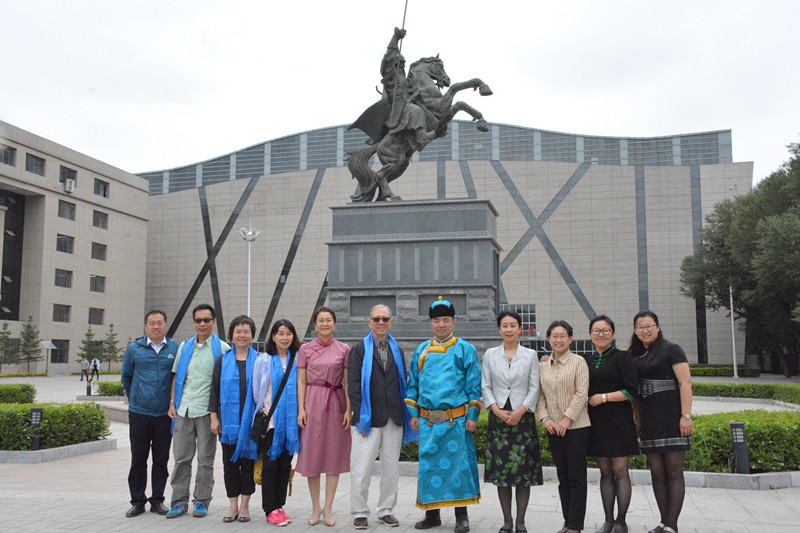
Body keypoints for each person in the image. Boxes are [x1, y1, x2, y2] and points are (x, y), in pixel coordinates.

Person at [406, 297, 481, 533]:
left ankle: (462, 516)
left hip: (456, 420)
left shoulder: (465, 349)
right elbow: (412, 386)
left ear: (453, 322)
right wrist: (413, 413)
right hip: (428, 420)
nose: (441, 325)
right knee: (430, 468)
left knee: (458, 468)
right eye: (436, 320)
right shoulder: (422, 350)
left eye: (445, 320)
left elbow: (474, 386)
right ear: (431, 323)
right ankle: (432, 515)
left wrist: (472, 415)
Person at [348, 304, 417, 530]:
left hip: (394, 416)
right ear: (369, 322)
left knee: (391, 468)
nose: (381, 323)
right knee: (362, 468)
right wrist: (359, 415)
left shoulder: (398, 350)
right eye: (376, 319)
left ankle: (386, 510)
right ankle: (359, 512)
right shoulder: (358, 350)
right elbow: (354, 386)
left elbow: (402, 382)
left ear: (390, 322)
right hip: (367, 418)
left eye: (385, 319)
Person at [628, 311, 693, 533]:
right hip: (649, 422)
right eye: (640, 327)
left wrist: (686, 416)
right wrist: (637, 421)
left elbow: (685, 384)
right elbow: (634, 394)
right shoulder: (635, 356)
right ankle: (664, 521)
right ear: (635, 331)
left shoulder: (671, 350)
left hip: (672, 419)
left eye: (649, 326)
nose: (645, 330)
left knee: (674, 472)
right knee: (656, 472)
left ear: (657, 327)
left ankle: (672, 525)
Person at [166, 303, 230, 518]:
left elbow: (226, 382)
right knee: (181, 459)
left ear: (213, 322)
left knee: (205, 460)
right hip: (184, 410)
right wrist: (173, 402)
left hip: (206, 413)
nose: (202, 324)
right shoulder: (184, 347)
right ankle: (179, 501)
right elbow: (177, 375)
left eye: (206, 320)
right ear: (193, 323)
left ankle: (202, 501)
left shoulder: (222, 348)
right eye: (198, 320)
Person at [481, 311, 542, 533]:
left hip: (522, 418)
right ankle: (507, 521)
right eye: (504, 325)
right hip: (499, 419)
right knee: (502, 474)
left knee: (523, 473)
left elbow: (535, 386)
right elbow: (485, 385)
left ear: (520, 329)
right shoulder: (490, 354)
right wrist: (496, 410)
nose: (508, 329)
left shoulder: (530, 355)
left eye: (513, 325)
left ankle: (521, 521)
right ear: (499, 329)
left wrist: (521, 411)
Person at [121, 310, 180, 517]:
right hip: (139, 413)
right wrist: (136, 398)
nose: (156, 326)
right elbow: (126, 377)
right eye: (152, 323)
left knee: (161, 460)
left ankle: (157, 500)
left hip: (165, 415)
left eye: (160, 323)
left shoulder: (174, 348)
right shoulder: (134, 349)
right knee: (138, 459)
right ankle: (137, 501)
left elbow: (177, 378)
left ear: (165, 325)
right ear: (146, 326)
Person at [296, 306, 351, 527]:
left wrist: (349, 409)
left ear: (334, 324)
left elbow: (346, 381)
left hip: (336, 403)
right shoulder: (305, 349)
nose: (325, 324)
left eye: (329, 320)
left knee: (333, 456)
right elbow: (301, 381)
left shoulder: (344, 349)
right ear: (315, 324)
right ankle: (315, 507)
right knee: (313, 455)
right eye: (321, 320)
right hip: (312, 401)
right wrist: (301, 409)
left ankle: (328, 507)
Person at [585, 315, 639, 533]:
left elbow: (632, 391)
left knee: (619, 471)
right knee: (604, 472)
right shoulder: (586, 360)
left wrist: (604, 397)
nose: (601, 334)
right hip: (596, 423)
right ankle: (608, 520)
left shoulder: (623, 358)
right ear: (590, 335)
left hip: (619, 422)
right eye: (596, 331)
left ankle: (621, 521)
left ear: (613, 334)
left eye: (605, 330)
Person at [536, 320, 590, 533]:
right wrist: (546, 419)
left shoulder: (579, 362)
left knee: (577, 477)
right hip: (553, 429)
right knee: (563, 477)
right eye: (554, 336)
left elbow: (581, 393)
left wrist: (567, 419)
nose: (558, 340)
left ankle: (576, 525)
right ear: (549, 339)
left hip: (576, 427)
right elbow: (539, 396)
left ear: (570, 339)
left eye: (562, 336)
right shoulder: (542, 366)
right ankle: (567, 522)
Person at [209, 315, 259, 523]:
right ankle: (232, 506)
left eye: (246, 331)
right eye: (238, 331)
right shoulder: (222, 360)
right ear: (231, 335)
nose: (242, 335)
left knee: (248, 464)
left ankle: (245, 506)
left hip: (252, 423)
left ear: (252, 335)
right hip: (228, 424)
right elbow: (214, 391)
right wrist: (214, 418)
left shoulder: (260, 360)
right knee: (230, 465)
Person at [252, 318, 302, 527]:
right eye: (280, 333)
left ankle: (280, 506)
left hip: (291, 424)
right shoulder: (263, 360)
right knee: (270, 466)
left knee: (285, 465)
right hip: (271, 422)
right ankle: (270, 509)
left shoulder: (298, 359)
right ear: (273, 336)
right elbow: (257, 392)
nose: (284, 337)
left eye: (288, 334)